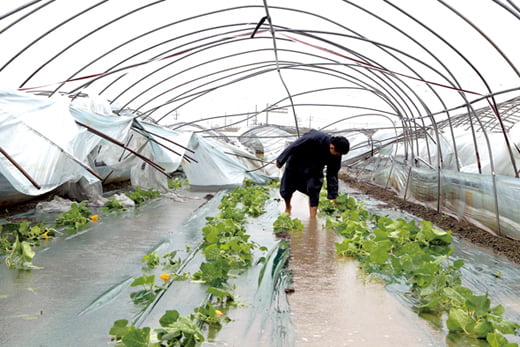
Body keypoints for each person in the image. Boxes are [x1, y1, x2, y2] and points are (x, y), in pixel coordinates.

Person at [276, 129, 350, 218]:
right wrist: (281, 160)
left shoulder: (336, 154)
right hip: (296, 164)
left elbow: (332, 173)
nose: (338, 155)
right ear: (332, 147)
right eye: (337, 153)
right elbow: (293, 146)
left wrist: (334, 195)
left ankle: (312, 218)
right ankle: (288, 207)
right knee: (287, 189)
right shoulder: (314, 137)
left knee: (314, 190)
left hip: (315, 169)